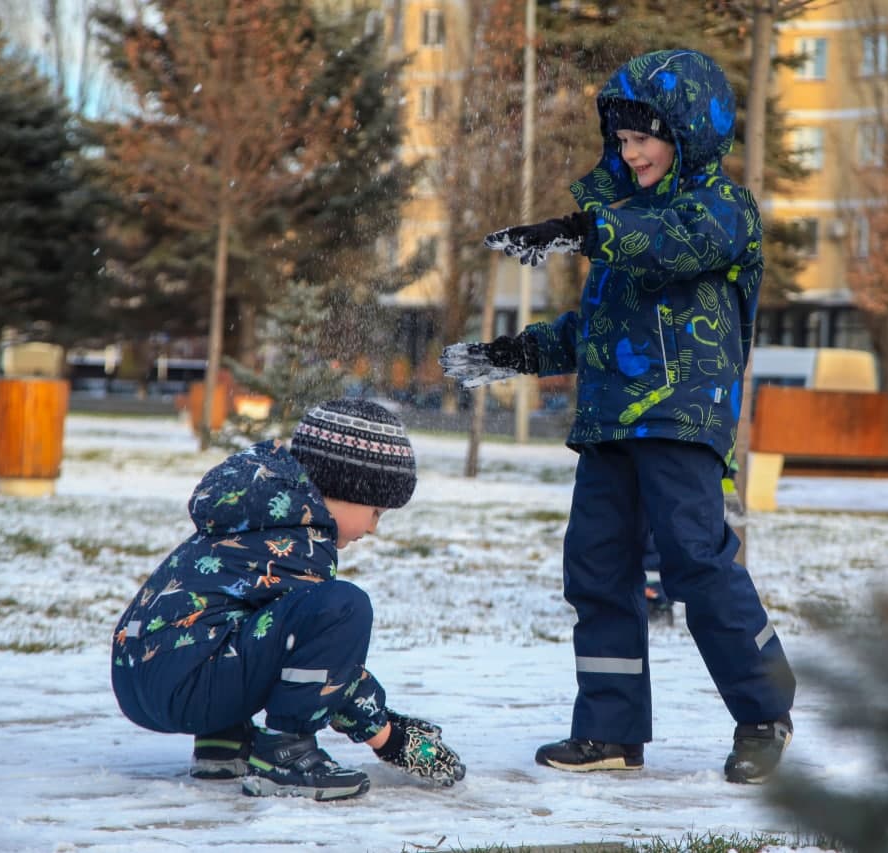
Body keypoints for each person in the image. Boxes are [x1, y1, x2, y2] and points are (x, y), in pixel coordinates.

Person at [440, 49, 796, 784]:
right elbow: (596, 330)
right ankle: (609, 727)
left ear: (690, 134)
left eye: (645, 137)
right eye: (622, 139)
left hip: (681, 418)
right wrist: (513, 354)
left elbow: (670, 246)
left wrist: (578, 231)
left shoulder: (723, 211)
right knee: (597, 567)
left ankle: (763, 713)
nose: (629, 152)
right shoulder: (621, 221)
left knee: (696, 559)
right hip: (608, 424)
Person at [110, 399, 465, 800]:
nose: (373, 527)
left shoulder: (251, 517)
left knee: (241, 622)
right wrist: (389, 736)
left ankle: (224, 742)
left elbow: (263, 633)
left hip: (136, 676)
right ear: (345, 489)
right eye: (376, 511)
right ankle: (286, 753)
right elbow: (323, 659)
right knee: (342, 607)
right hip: (187, 684)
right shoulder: (299, 544)